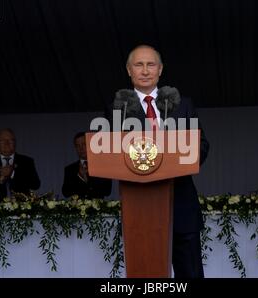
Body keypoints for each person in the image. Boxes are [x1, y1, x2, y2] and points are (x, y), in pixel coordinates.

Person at [106, 45, 209, 278]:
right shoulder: (116, 108)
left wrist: (175, 163)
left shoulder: (183, 105)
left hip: (181, 208)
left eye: (151, 64)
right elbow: (111, 153)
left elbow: (202, 146)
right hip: (140, 214)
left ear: (160, 70)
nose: (145, 70)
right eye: (138, 65)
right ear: (129, 70)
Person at [0, 128, 41, 203]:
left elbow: (36, 185)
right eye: (2, 141)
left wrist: (12, 173)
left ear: (15, 143)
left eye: (10, 140)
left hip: (22, 209)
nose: (7, 143)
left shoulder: (26, 161)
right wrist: (0, 179)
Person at [62, 132, 112, 199]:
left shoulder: (102, 166)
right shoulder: (70, 169)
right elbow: (66, 193)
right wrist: (80, 176)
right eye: (78, 146)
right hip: (77, 209)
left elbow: (107, 191)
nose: (81, 148)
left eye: (84, 144)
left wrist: (87, 179)